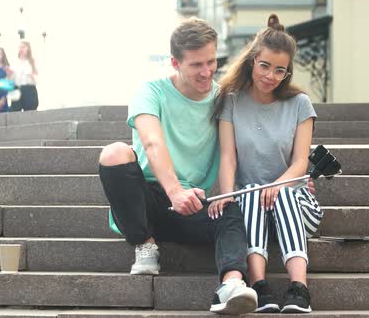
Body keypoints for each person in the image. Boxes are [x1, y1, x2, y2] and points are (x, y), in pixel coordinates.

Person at [98, 18, 257, 315]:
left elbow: (241, 150)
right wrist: (174, 192)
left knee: (228, 207)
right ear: (175, 62)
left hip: (191, 203)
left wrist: (288, 176)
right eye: (197, 64)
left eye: (211, 62)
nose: (207, 71)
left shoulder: (223, 98)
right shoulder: (150, 91)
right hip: (144, 202)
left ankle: (232, 285)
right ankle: (145, 244)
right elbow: (152, 142)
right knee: (114, 153)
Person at [211, 14, 323, 314]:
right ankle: (259, 287)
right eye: (265, 66)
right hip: (252, 213)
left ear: (287, 73)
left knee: (282, 192)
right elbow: (228, 157)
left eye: (279, 70)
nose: (270, 75)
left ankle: (299, 288)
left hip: (297, 206)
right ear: (252, 61)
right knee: (248, 191)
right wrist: (229, 195)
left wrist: (277, 184)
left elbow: (301, 161)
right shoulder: (232, 101)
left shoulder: (300, 104)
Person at [8, 40, 39, 111]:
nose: (21, 49)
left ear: (28, 49)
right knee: (15, 114)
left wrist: (32, 75)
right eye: (20, 47)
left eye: (23, 47)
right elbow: (10, 81)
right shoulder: (14, 63)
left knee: (30, 114)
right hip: (16, 90)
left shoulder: (32, 62)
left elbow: (37, 80)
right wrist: (9, 75)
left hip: (29, 90)